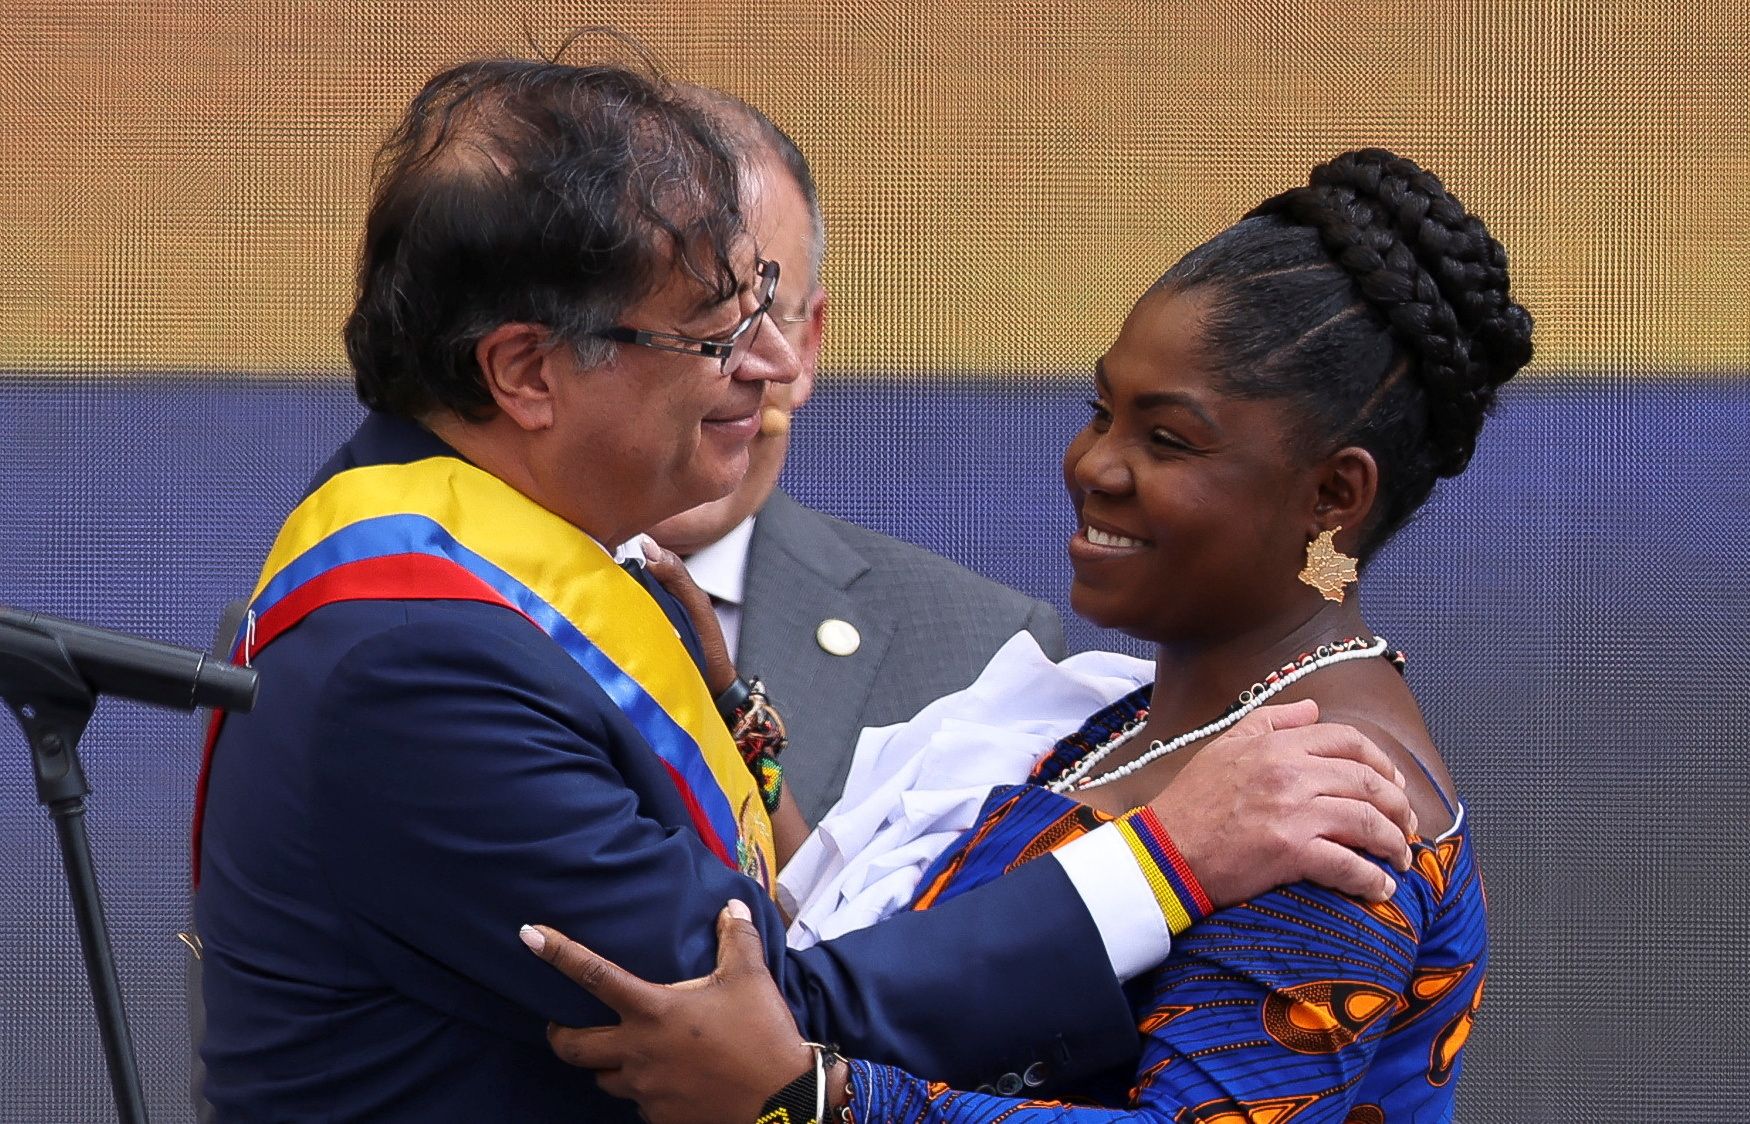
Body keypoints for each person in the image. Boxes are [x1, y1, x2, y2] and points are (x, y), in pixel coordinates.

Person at [192, 56, 1418, 1121]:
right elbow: (762, 1025)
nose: (762, 372)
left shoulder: (508, 564)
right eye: (710, 334)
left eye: (766, 314)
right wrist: (1163, 862)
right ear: (525, 370)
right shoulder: (422, 654)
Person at [528, 147, 1533, 1123]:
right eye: (1100, 410)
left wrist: (815, 1098)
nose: (1093, 463)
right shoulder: (1125, 712)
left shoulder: (1336, 807)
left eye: (1166, 438)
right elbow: (899, 943)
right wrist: (739, 730)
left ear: (1332, 495)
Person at [648, 93, 1065, 823]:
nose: (718, 375)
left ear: (804, 346)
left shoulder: (982, 656)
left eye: (758, 317)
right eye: (686, 323)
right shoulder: (418, 585)